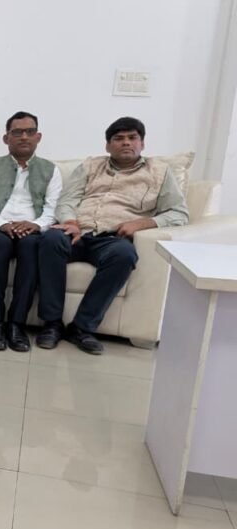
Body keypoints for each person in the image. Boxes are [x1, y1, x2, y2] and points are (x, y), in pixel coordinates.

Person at [37, 116, 189, 354]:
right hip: (77, 232)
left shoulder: (160, 172)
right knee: (50, 239)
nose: (126, 142)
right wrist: (70, 222)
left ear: (142, 143)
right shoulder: (90, 166)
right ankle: (52, 323)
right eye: (119, 138)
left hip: (112, 239)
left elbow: (179, 213)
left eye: (132, 138)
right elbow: (67, 200)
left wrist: (142, 222)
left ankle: (82, 327)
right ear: (108, 145)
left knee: (124, 255)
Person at [0, 112, 62, 352]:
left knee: (31, 247)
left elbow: (53, 208)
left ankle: (16, 324)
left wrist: (37, 225)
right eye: (17, 132)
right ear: (6, 138)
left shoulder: (51, 170)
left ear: (38, 137)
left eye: (30, 132)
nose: (24, 137)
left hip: (31, 229)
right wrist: (1, 224)